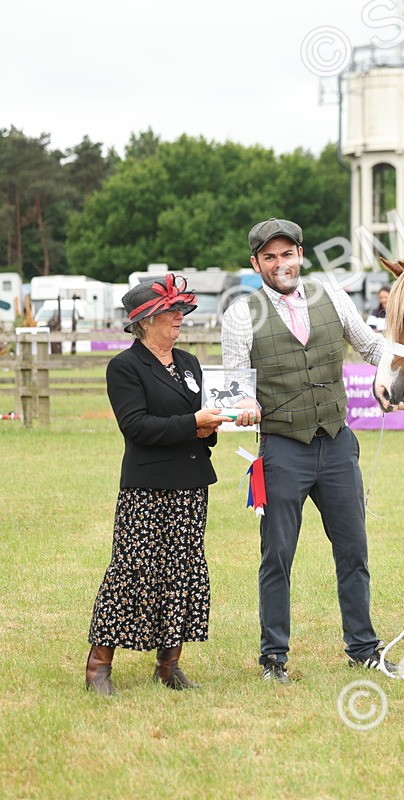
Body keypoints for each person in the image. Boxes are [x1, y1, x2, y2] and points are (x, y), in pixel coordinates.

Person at [221, 218, 398, 684]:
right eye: (270, 257)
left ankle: (363, 650)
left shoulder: (334, 298)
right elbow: (238, 382)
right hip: (282, 448)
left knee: (354, 550)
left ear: (300, 254)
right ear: (256, 263)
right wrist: (242, 404)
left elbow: (371, 347)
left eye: (288, 253)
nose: (281, 264)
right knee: (277, 556)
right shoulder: (241, 314)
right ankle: (273, 659)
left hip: (338, 445)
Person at [87, 274, 227, 696]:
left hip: (191, 484)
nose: (179, 318)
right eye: (170, 312)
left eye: (180, 311)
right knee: (132, 572)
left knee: (183, 572)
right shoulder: (125, 367)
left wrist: (212, 427)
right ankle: (98, 667)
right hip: (147, 487)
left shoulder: (189, 363)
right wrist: (193, 424)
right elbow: (136, 427)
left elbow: (200, 421)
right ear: (145, 322)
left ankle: (169, 666)